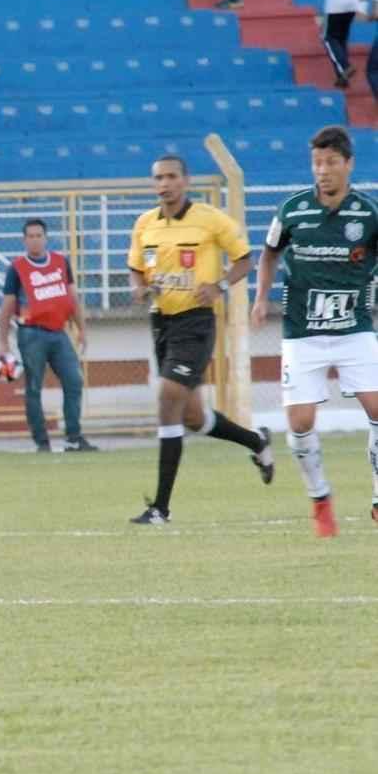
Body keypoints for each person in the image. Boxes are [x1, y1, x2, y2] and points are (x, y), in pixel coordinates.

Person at [127, 155, 275, 525]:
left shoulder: (210, 220)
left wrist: (220, 285)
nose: (165, 184)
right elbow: (136, 272)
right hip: (161, 322)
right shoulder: (145, 224)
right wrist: (141, 289)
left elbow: (245, 259)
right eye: (158, 178)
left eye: (171, 176)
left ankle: (161, 507)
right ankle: (257, 442)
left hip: (195, 323)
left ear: (185, 181)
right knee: (192, 416)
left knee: (167, 397)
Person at [252, 125, 378, 538]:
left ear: (348, 164)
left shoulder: (368, 214)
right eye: (316, 163)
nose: (322, 171)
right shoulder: (292, 210)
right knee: (300, 422)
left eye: (330, 163)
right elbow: (270, 252)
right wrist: (260, 297)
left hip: (355, 329)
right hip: (303, 332)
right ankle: (320, 498)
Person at [0, 219, 97, 453]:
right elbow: (7, 305)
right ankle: (42, 441)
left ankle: (73, 437)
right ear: (24, 240)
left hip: (59, 332)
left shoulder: (61, 262)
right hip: (31, 334)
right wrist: (2, 342)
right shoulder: (17, 268)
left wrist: (81, 328)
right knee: (33, 387)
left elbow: (72, 297)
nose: (35, 240)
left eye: (39, 235)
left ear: (46, 237)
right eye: (30, 236)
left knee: (74, 380)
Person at [322, 0, 364, 88]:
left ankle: (345, 67)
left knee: (329, 38)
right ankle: (342, 77)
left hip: (337, 3)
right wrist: (362, 5)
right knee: (341, 39)